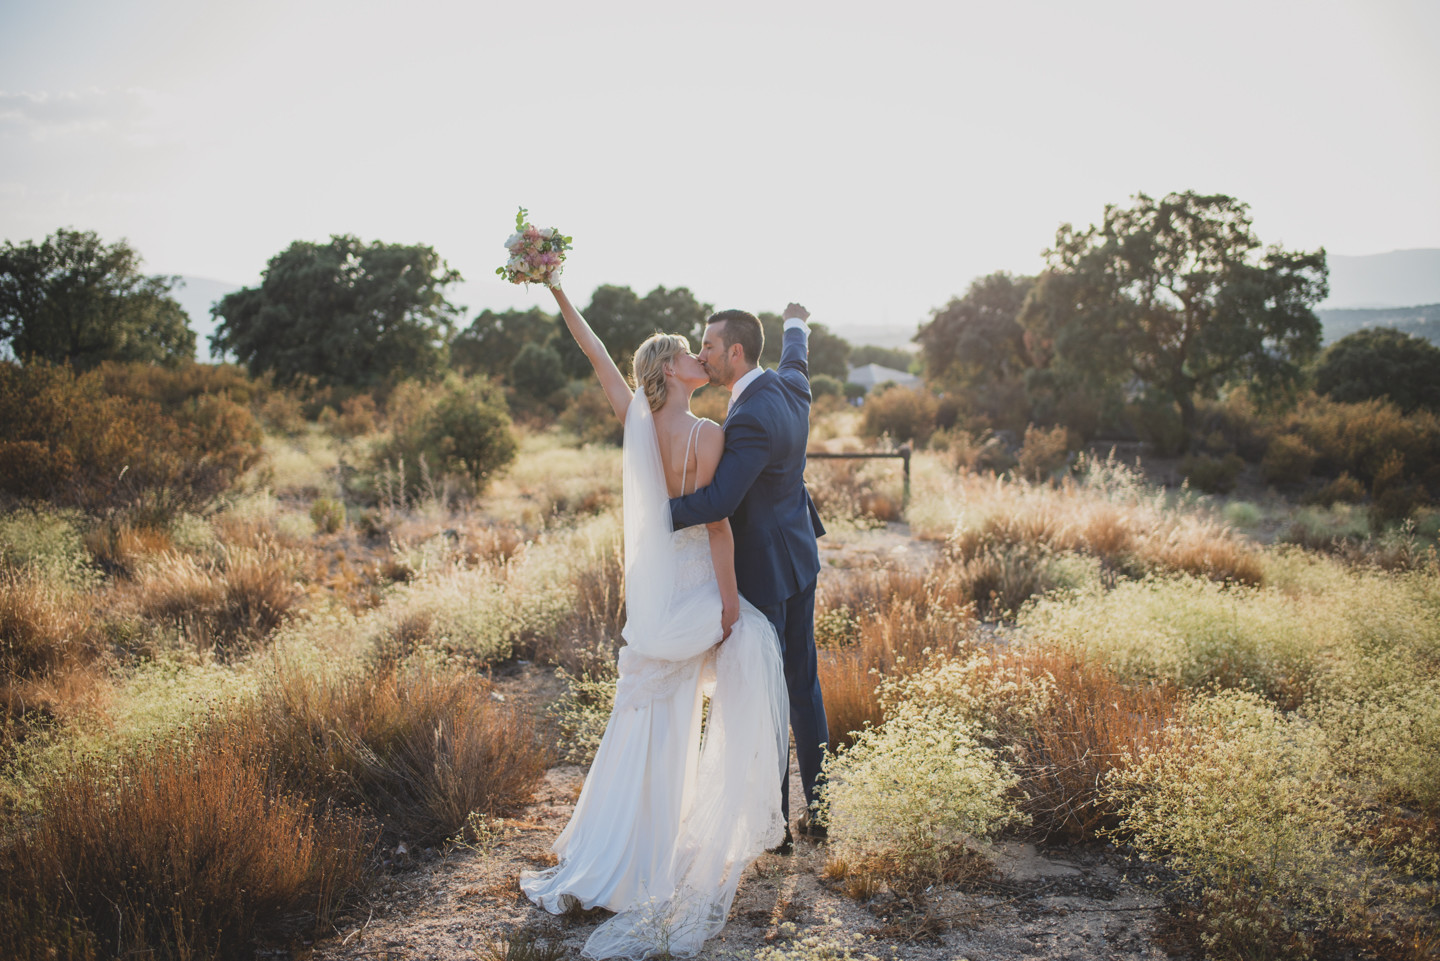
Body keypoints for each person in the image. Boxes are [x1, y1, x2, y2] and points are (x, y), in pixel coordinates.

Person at [519, 285, 788, 960]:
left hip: (656, 599)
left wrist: (556, 286)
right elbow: (718, 525)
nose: (703, 357)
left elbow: (596, 352)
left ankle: (618, 848)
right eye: (690, 353)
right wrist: (728, 604)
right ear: (671, 369)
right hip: (696, 586)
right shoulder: (708, 433)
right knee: (751, 641)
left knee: (645, 713)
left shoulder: (636, 415)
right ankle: (707, 830)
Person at [669, 305, 828, 852]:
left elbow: (720, 501)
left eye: (709, 346)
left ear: (735, 352)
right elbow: (797, 359)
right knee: (804, 686)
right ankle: (822, 806)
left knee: (766, 693)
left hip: (764, 567)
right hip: (801, 554)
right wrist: (796, 324)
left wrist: (655, 515)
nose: (703, 353)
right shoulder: (791, 387)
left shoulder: (751, 416)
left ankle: (777, 829)